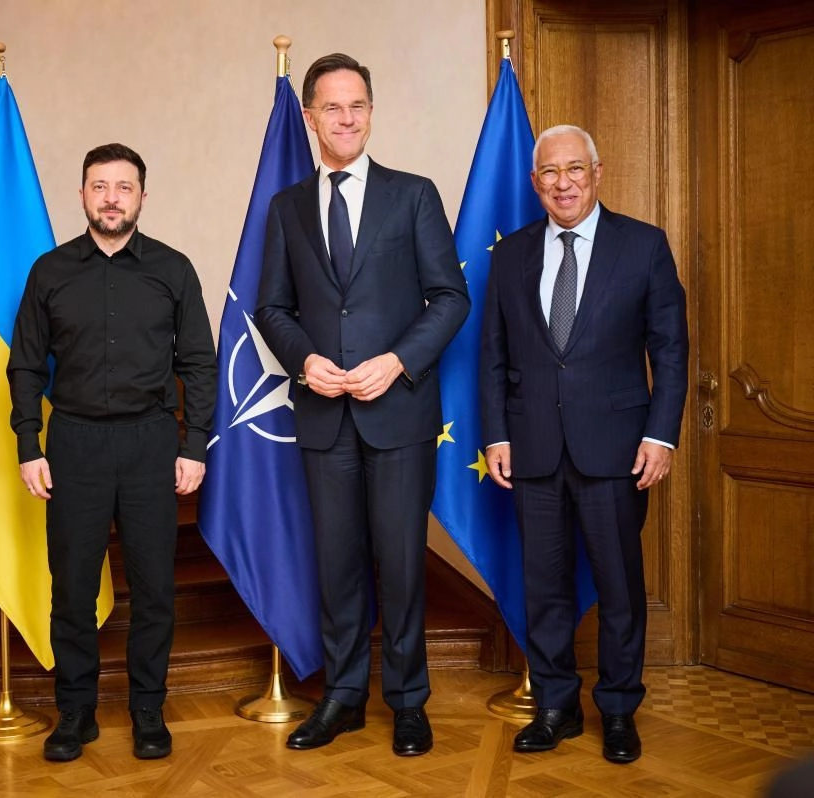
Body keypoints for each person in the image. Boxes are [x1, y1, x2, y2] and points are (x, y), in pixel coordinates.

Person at [255, 53, 470, 757]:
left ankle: (408, 702)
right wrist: (305, 361)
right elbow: (273, 306)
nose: (345, 119)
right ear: (311, 118)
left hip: (399, 415)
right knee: (338, 566)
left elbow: (451, 297)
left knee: (403, 565)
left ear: (370, 113)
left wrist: (398, 361)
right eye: (331, 108)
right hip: (323, 418)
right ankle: (344, 698)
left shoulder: (413, 195)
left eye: (357, 106)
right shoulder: (286, 207)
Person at [479, 124, 688, 764]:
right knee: (544, 586)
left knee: (620, 585)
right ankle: (555, 707)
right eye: (549, 173)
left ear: (596, 173)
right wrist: (495, 434)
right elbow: (492, 355)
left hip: (618, 449)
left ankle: (619, 710)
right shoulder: (510, 254)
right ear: (535, 182)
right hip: (534, 448)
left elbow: (671, 351)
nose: (562, 183)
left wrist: (660, 433)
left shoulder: (643, 246)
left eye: (574, 170)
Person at [8, 143, 217, 763]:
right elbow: (23, 366)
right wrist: (28, 443)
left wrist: (194, 444)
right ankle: (75, 713)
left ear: (142, 197)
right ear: (82, 195)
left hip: (152, 442)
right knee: (71, 587)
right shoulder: (49, 271)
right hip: (72, 442)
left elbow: (199, 363)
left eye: (124, 187)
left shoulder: (173, 269)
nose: (111, 198)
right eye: (99, 186)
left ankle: (148, 708)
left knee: (154, 587)